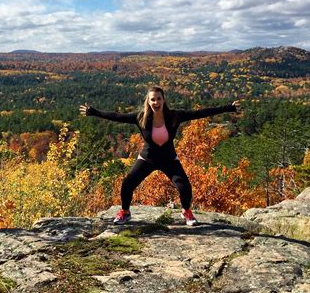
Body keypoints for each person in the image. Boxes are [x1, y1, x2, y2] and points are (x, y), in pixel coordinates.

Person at [80, 86, 240, 226]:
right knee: (127, 184)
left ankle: (186, 212)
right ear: (148, 102)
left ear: (163, 100)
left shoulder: (175, 116)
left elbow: (201, 113)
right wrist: (94, 112)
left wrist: (228, 108)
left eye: (158, 99)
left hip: (169, 159)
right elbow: (116, 116)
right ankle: (125, 212)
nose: (156, 102)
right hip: (147, 159)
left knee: (184, 186)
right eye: (153, 100)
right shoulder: (140, 117)